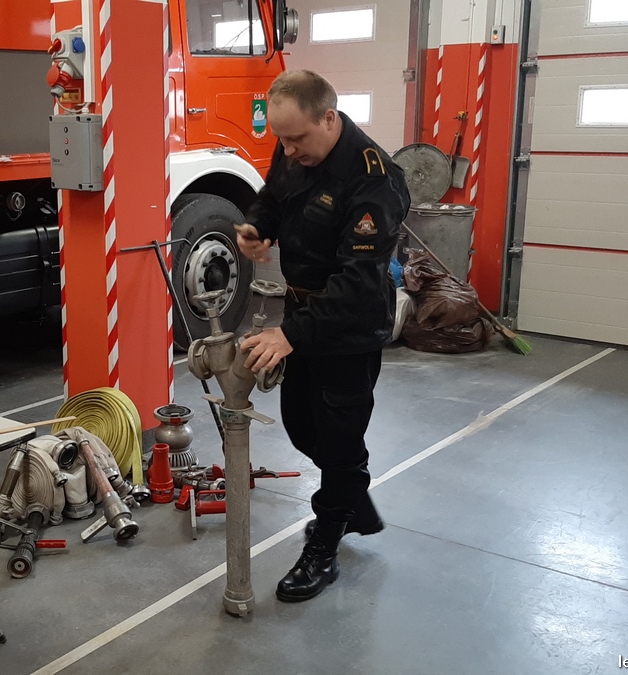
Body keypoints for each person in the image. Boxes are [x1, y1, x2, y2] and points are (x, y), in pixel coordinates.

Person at [237, 70, 410, 603]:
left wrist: (289, 335)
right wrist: (257, 226)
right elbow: (274, 195)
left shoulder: (374, 179)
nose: (289, 150)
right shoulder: (295, 148)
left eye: (298, 139)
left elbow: (356, 283)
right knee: (300, 427)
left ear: (329, 118)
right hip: (303, 315)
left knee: (338, 439)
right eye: (282, 140)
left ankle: (325, 545)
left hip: (349, 328)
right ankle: (350, 495)